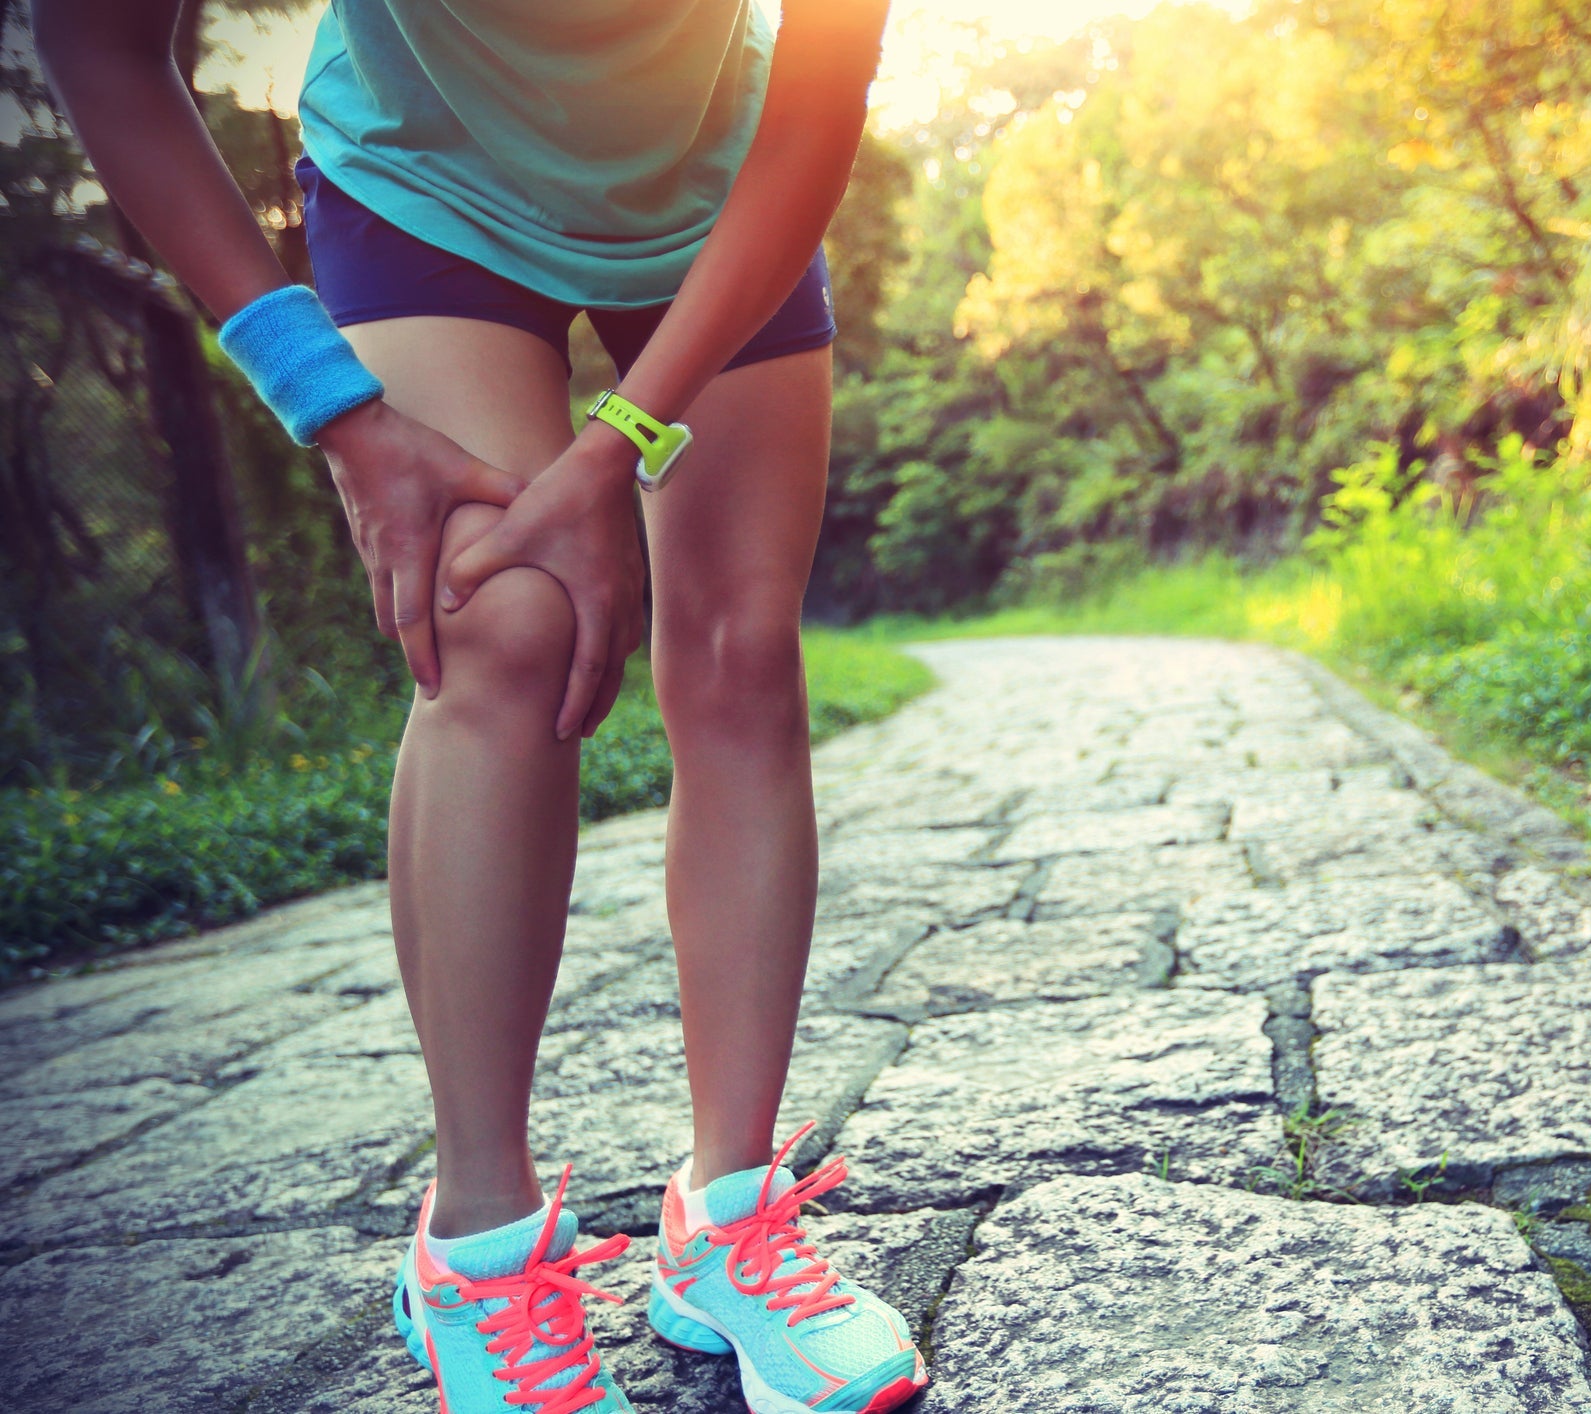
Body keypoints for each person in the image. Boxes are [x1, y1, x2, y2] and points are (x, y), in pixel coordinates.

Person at [32, 2, 926, 1410]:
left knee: (741, 649)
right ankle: (480, 1246)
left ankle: (730, 1214)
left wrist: (625, 432)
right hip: (425, 182)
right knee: (501, 624)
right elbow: (96, 41)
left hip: (718, 182)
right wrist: (331, 405)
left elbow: (819, 102)